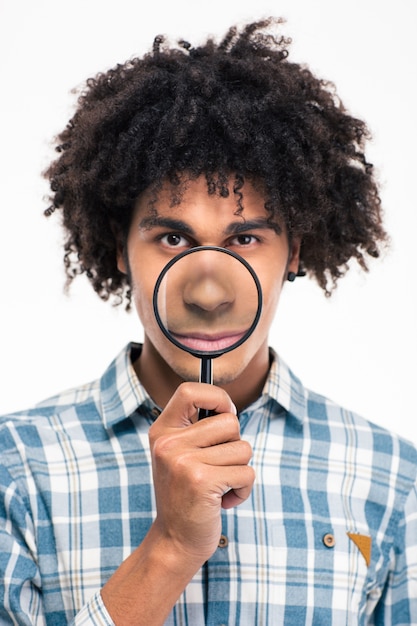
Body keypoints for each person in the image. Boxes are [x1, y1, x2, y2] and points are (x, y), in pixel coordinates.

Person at [0, 16, 416, 626]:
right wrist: (168, 549)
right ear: (120, 247)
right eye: (173, 237)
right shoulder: (15, 467)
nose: (210, 291)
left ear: (293, 252)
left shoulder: (393, 478)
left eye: (245, 237)